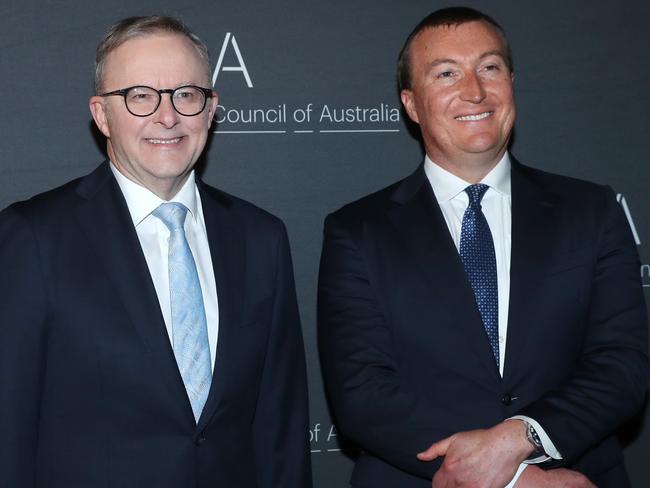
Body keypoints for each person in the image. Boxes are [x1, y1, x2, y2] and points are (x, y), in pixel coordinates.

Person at [318, 6, 648, 488]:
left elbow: (622, 365)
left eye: (489, 68)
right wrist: (514, 480)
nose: (474, 91)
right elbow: (362, 392)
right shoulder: (357, 231)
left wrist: (522, 439)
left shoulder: (591, 211)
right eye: (447, 73)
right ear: (411, 104)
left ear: (511, 82)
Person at [0, 15, 311, 488]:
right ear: (102, 115)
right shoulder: (35, 236)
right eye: (140, 96)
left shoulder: (260, 237)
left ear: (211, 109)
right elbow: (10, 423)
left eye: (186, 94)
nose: (167, 117)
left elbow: (280, 426)